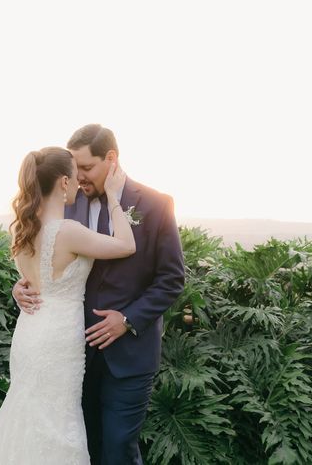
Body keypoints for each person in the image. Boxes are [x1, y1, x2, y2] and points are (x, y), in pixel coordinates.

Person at [13, 124, 186, 465]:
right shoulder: (67, 203)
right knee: (79, 446)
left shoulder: (156, 204)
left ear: (111, 159)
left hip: (129, 356)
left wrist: (127, 319)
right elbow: (46, 257)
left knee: (118, 449)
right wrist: (21, 286)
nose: (78, 177)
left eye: (87, 167)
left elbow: (171, 278)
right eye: (74, 169)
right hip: (71, 355)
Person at [0, 146, 136, 465]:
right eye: (75, 178)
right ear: (64, 182)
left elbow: (32, 281)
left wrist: (16, 289)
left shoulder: (24, 230)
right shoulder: (68, 231)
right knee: (56, 423)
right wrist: (115, 198)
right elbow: (127, 245)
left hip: (30, 333)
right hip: (58, 342)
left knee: (29, 415)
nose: (79, 184)